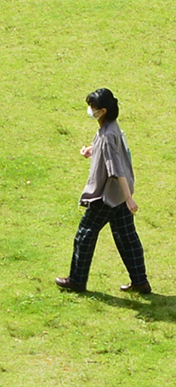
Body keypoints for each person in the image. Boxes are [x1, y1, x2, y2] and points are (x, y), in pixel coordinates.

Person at [56, 87, 151, 295]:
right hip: (117, 196)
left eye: (94, 108)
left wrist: (129, 198)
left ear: (104, 110)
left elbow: (115, 169)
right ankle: (140, 282)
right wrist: (93, 150)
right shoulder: (112, 127)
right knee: (127, 237)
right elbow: (113, 151)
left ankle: (77, 280)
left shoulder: (107, 134)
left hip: (107, 196)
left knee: (85, 234)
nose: (91, 110)